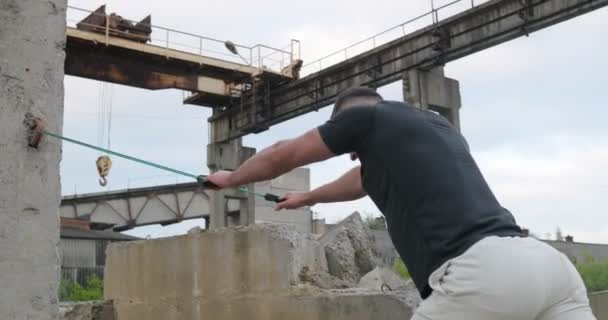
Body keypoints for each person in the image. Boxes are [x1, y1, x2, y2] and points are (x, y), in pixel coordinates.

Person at [206, 87, 595, 320]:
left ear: (347, 120)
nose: (352, 156)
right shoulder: (431, 127)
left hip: (483, 275)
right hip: (547, 267)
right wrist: (308, 197)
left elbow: (282, 154)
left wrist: (232, 177)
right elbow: (359, 182)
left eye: (349, 148)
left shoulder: (364, 118)